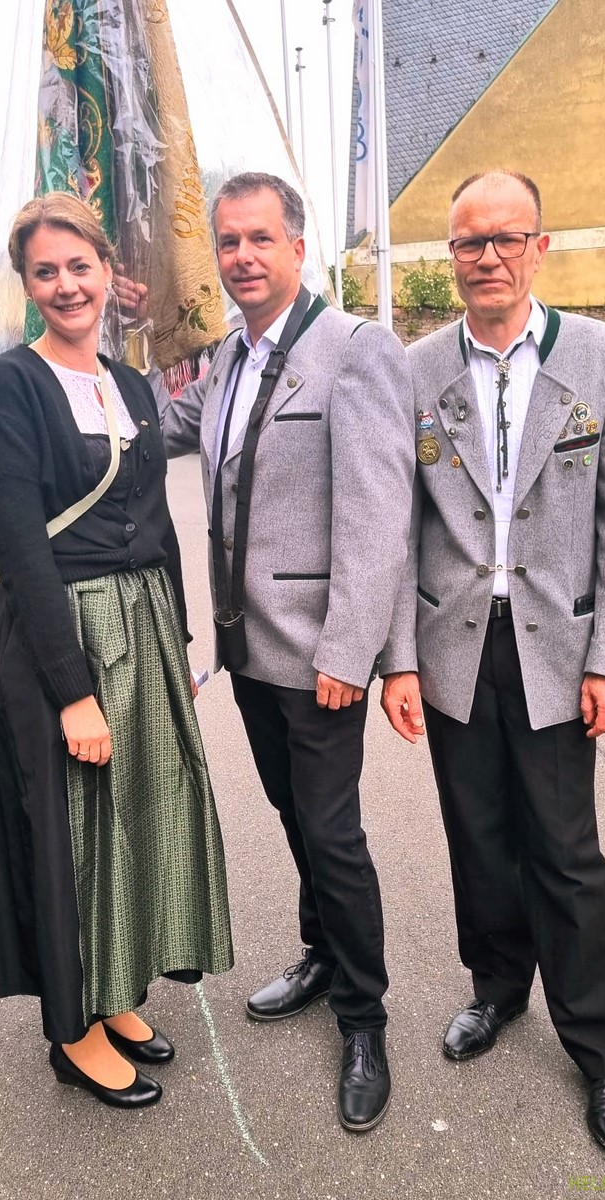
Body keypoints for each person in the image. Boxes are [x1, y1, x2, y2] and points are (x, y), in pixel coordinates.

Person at [381, 170, 605, 1155]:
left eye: (506, 238)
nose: (487, 257)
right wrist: (397, 660)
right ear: (451, 256)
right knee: (478, 834)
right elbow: (397, 525)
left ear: (540, 247)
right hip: (452, 645)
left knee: (565, 852)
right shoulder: (415, 370)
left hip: (559, 647)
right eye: (469, 242)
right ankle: (497, 988)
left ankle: (602, 1050)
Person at [0, 192, 233, 1110]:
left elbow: (157, 525)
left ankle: (114, 994)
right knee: (70, 837)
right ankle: (72, 1032)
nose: (66, 285)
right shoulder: (11, 387)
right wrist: (72, 691)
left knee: (131, 822)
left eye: (80, 266)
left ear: (109, 272)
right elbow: (21, 548)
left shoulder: (130, 383)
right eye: (46, 272)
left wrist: (178, 646)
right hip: (58, 640)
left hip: (142, 629)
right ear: (28, 284)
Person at [156, 172, 414, 1132]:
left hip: (319, 656)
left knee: (334, 835)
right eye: (228, 242)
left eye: (260, 239)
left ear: (298, 248)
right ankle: (320, 954)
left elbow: (379, 516)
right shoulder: (228, 356)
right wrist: (96, 341)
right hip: (248, 648)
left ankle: (365, 1020)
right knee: (293, 814)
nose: (242, 257)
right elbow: (161, 427)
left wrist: (353, 649)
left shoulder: (355, 349)